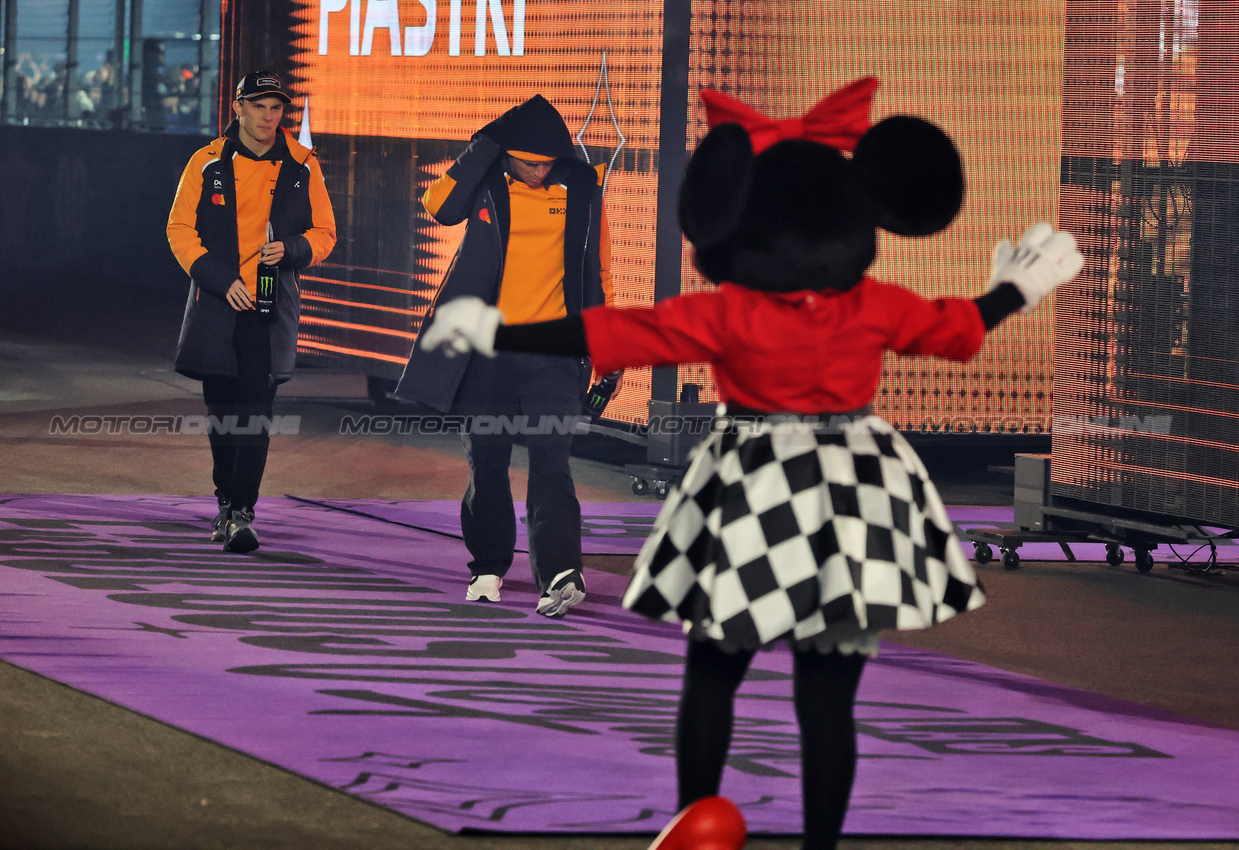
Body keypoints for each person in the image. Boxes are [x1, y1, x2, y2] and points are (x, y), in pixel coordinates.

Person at [420, 79, 1084, 849]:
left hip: (754, 482)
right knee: (827, 696)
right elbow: (957, 328)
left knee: (713, 671)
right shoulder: (872, 303)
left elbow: (618, 332)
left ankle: (693, 825)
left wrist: (499, 335)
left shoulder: (728, 311)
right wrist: (1017, 288)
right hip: (853, 489)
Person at [397, 94, 616, 617]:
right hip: (487, 352)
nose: (538, 172)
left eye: (545, 162)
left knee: (552, 464)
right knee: (488, 463)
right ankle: (489, 566)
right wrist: (483, 148)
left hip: (555, 354)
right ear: (505, 152)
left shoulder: (583, 186)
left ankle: (560, 572)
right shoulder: (488, 179)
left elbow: (597, 271)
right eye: (527, 162)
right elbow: (439, 207)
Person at [166, 70, 336, 552]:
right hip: (218, 303)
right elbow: (178, 229)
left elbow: (325, 232)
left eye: (276, 107)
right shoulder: (205, 162)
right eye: (259, 105)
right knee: (222, 413)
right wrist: (221, 282)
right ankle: (225, 501)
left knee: (256, 412)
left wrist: (293, 248)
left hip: (269, 305)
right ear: (237, 108)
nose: (268, 116)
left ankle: (242, 512)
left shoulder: (304, 164)